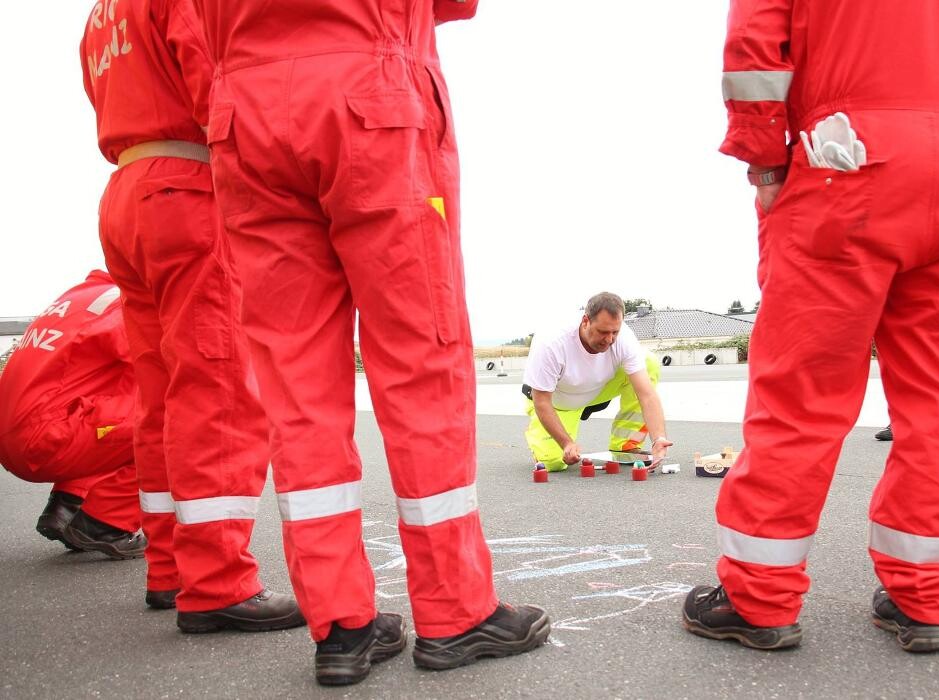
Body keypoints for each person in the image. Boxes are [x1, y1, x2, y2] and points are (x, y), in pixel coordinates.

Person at [682, 0, 939, 654]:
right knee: (938, 398)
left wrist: (764, 161)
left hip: (844, 160)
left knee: (801, 398)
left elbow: (755, 44)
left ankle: (758, 597)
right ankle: (925, 595)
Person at [189, 0, 549, 685]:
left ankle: (340, 624)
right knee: (420, 363)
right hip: (367, 97)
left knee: (296, 386)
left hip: (245, 115)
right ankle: (455, 612)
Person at [81, 0, 303, 629]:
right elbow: (217, 91)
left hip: (126, 192)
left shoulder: (100, 16)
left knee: (159, 395)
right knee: (217, 387)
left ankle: (171, 569)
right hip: (188, 184)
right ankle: (218, 583)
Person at [0, 271, 143, 560]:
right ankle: (105, 523)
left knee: (119, 404)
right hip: (45, 438)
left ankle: (68, 505)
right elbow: (164, 359)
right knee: (169, 418)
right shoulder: (126, 303)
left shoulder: (82, 295)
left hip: (19, 433)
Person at [522, 292, 672, 471]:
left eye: (614, 332)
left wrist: (658, 438)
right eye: (602, 332)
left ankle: (625, 443)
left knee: (649, 362)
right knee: (552, 463)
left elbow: (647, 395)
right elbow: (542, 401)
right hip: (558, 402)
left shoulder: (624, 337)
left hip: (597, 390)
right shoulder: (551, 343)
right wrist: (567, 443)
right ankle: (539, 436)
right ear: (585, 321)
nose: (609, 339)